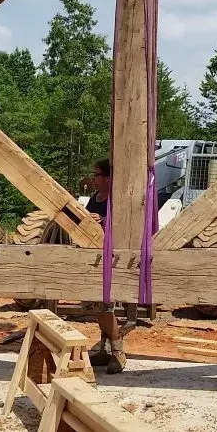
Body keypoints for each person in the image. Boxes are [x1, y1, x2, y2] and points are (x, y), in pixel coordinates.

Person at [84, 158, 126, 373]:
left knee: (106, 308)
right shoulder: (95, 198)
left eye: (96, 175)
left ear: (108, 177)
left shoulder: (117, 200)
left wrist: (101, 220)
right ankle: (103, 350)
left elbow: (122, 226)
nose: (94, 179)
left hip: (111, 260)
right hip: (94, 260)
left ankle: (118, 351)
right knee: (97, 308)